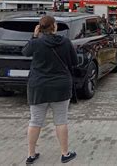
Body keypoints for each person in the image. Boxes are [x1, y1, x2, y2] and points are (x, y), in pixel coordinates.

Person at [22, 15, 78, 165]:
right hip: (61, 86)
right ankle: (65, 153)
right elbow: (75, 62)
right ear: (54, 27)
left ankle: (31, 154)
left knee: (35, 121)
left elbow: (25, 52)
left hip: (38, 87)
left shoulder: (36, 43)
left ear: (40, 28)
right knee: (61, 120)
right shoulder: (65, 42)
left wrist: (34, 36)